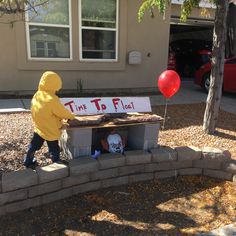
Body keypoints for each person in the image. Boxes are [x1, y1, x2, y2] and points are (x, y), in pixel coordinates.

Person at [23, 71, 75, 168]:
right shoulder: (52, 99)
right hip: (50, 128)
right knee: (54, 147)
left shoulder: (37, 95)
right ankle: (56, 161)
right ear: (55, 85)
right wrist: (71, 116)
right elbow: (62, 112)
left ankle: (28, 161)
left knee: (33, 146)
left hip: (39, 127)